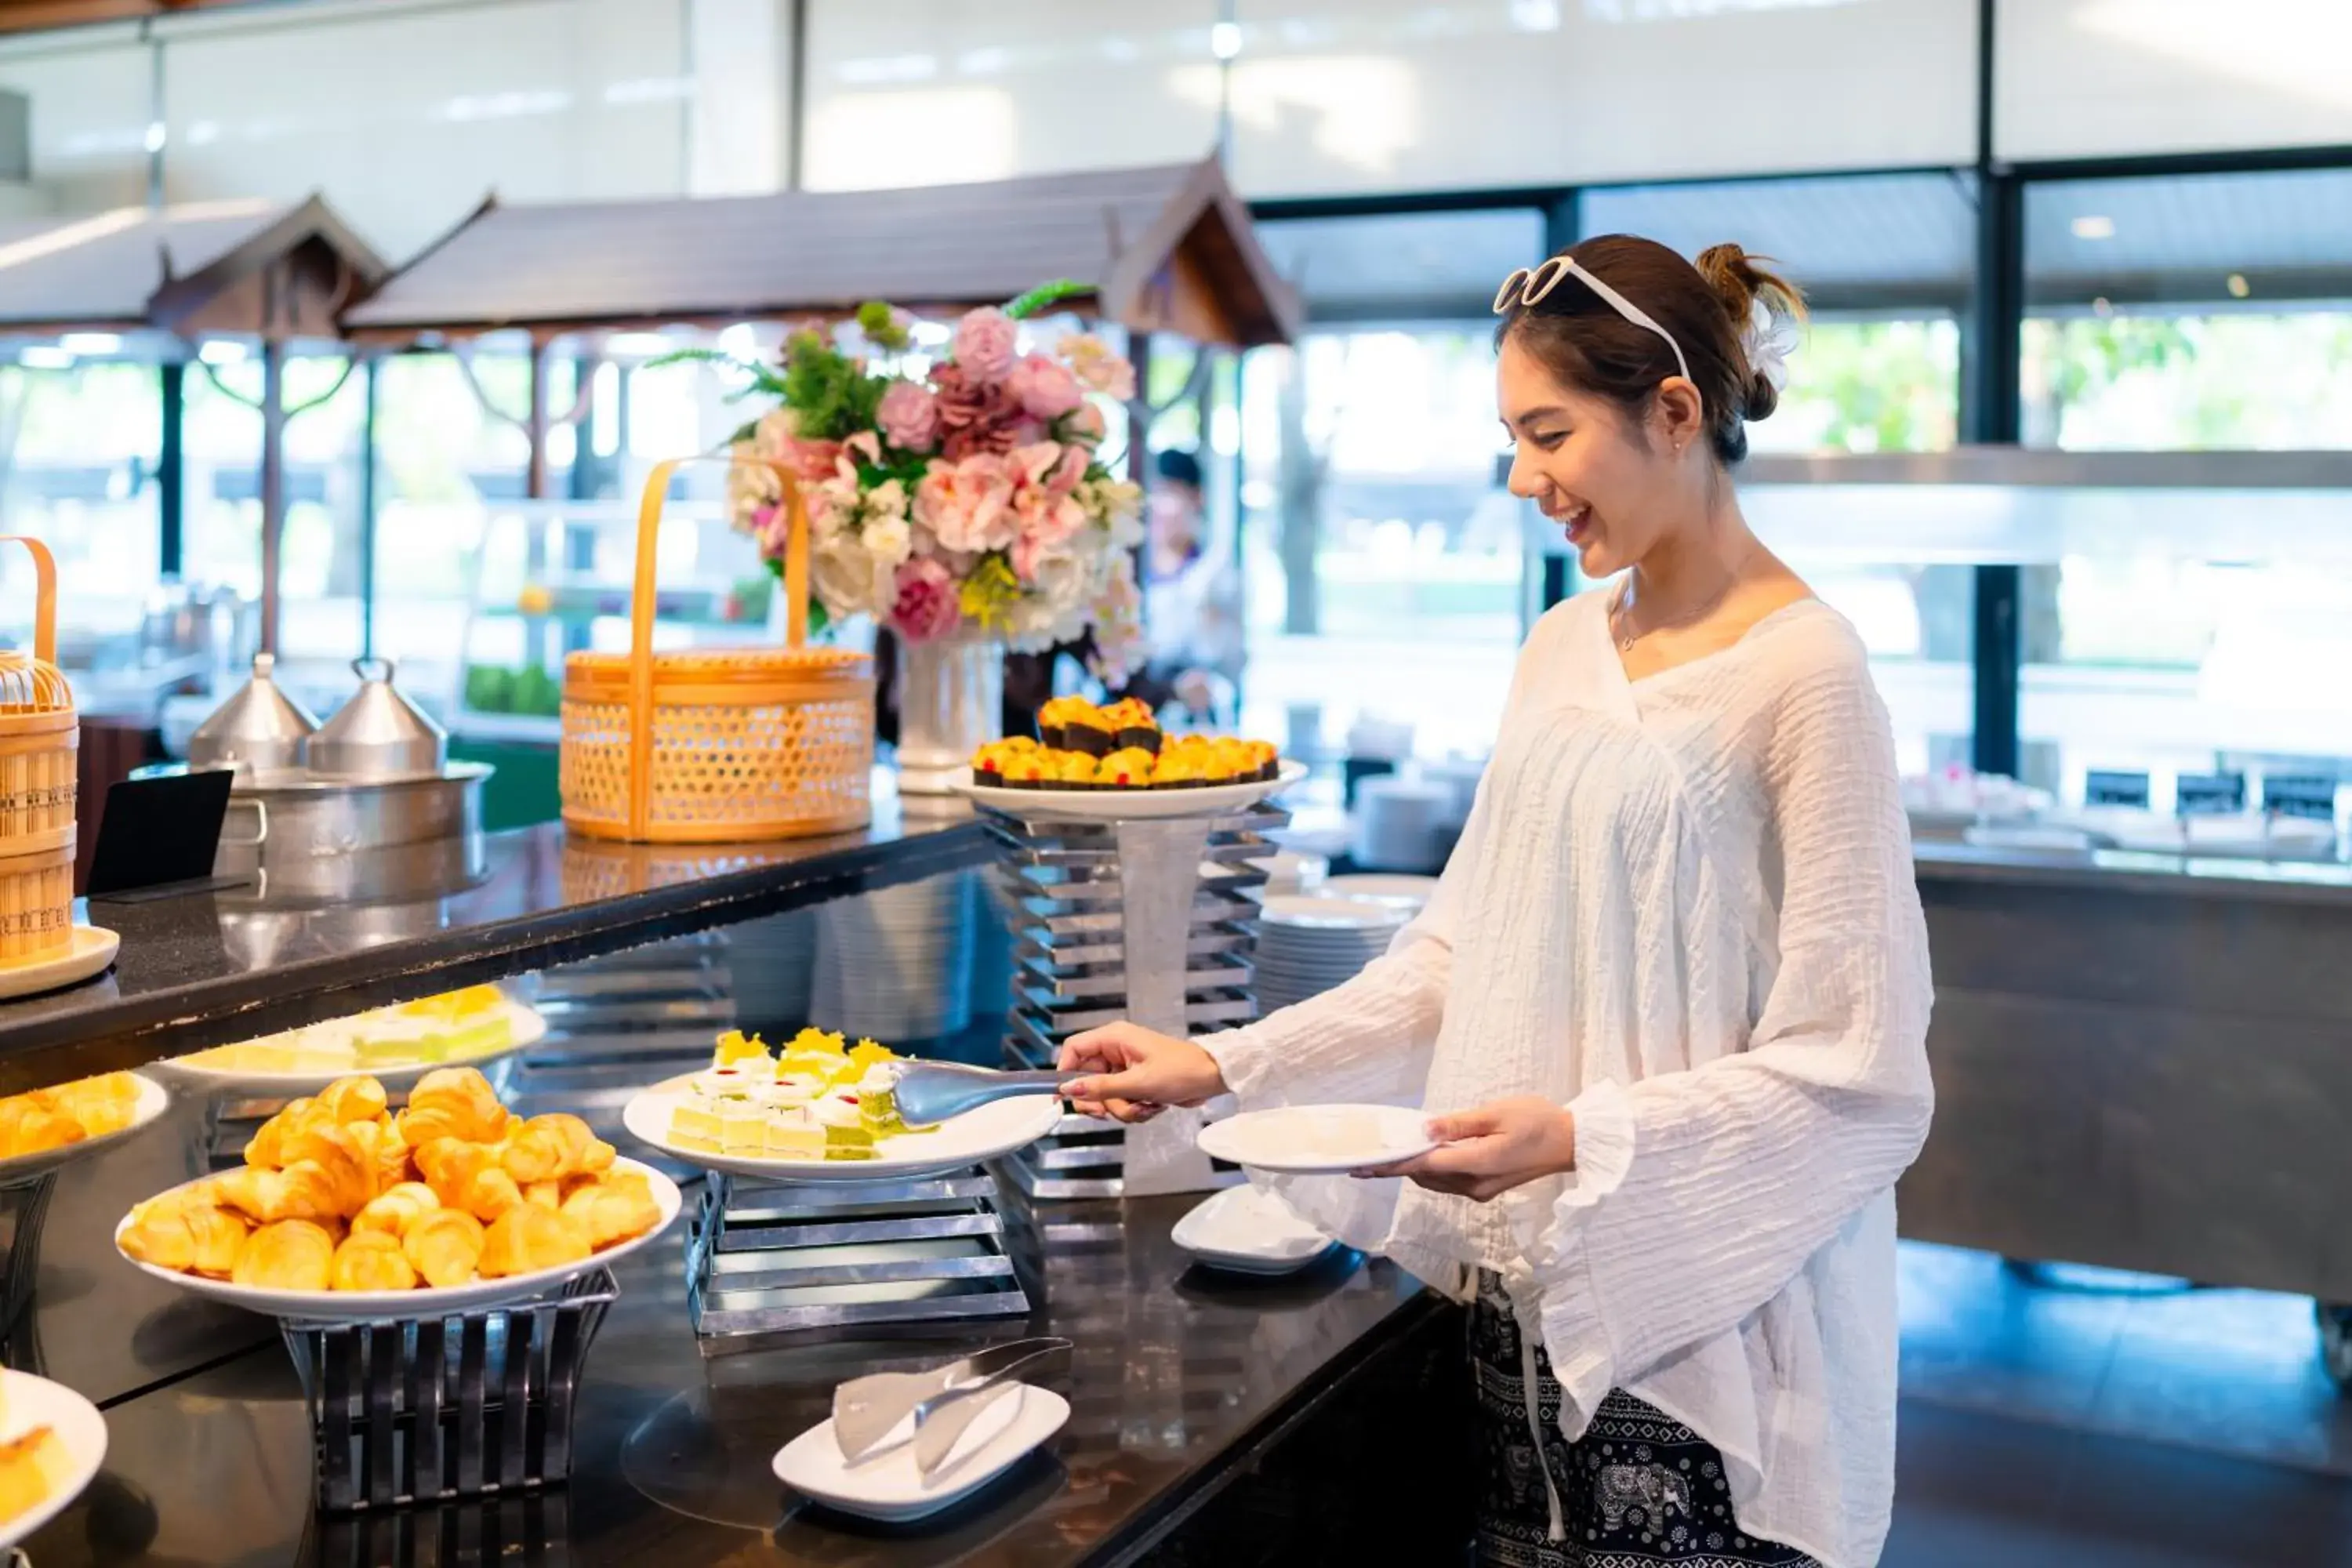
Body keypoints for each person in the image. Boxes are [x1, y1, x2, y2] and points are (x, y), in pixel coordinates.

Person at [1057, 238, 1933, 1568]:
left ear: (1676, 411)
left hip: (1710, 1320)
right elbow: (1460, 951)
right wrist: (1222, 1064)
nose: (1526, 478)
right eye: (1513, 437)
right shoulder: (1559, 647)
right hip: (1524, 1298)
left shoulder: (1806, 674)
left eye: (1550, 433)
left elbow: (1860, 1069)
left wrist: (1585, 1134)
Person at [1119, 448, 1243, 724]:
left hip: (1192, 720)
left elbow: (1223, 655)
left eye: (1169, 493)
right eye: (1152, 495)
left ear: (1196, 498)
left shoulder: (1215, 573)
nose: (1158, 508)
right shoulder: (1126, 568)